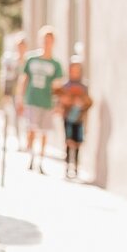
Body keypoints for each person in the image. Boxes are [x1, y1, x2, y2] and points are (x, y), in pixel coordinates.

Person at [18, 28, 65, 173]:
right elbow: (24, 79)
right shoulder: (31, 59)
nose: (47, 44)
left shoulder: (56, 64)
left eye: (50, 41)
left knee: (44, 132)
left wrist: (58, 104)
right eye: (45, 40)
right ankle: (31, 158)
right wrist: (20, 98)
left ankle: (41, 161)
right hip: (32, 99)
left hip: (47, 102)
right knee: (32, 129)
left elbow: (57, 86)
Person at [55, 59, 92, 180]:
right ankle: (67, 166)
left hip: (79, 119)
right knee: (68, 141)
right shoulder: (66, 86)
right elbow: (59, 98)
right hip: (68, 118)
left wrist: (82, 104)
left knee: (77, 143)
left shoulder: (84, 87)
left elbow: (88, 103)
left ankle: (75, 166)